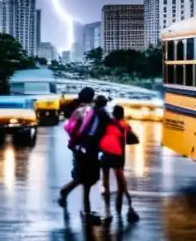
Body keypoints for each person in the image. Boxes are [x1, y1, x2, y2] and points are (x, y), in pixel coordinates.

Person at [59, 90, 109, 223]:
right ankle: (86, 211)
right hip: (88, 149)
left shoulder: (80, 110)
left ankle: (68, 193)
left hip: (79, 148)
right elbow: (95, 132)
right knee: (88, 179)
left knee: (83, 178)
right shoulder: (95, 113)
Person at [99, 104, 140, 222]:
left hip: (105, 152)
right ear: (122, 114)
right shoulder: (125, 125)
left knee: (105, 181)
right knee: (121, 181)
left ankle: (107, 211)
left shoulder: (108, 123)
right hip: (118, 154)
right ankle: (124, 203)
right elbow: (133, 138)